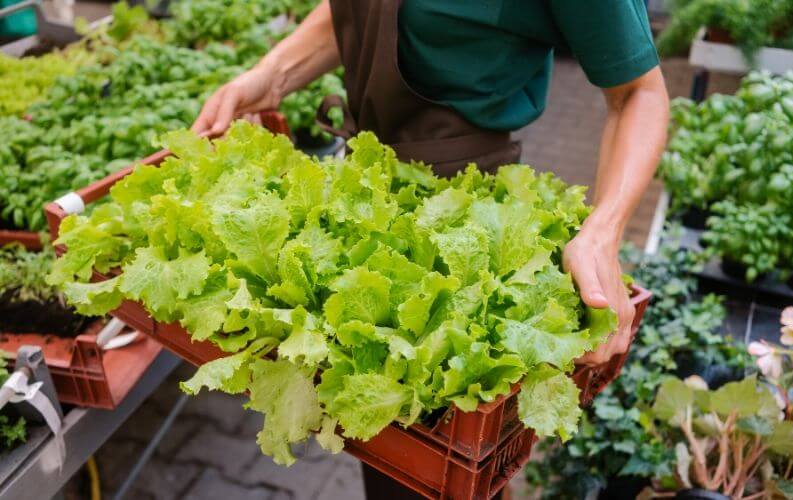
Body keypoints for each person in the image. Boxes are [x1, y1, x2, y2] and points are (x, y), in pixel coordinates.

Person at [194, 0, 668, 409]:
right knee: (370, 430)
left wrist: (604, 231)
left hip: (461, 228)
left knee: (433, 442)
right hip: (365, 188)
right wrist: (271, 75)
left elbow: (638, 94)